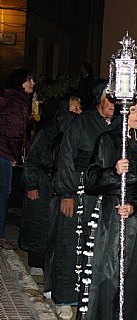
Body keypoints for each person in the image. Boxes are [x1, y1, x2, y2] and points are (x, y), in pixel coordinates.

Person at [82, 98, 137, 320]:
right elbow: (91, 180)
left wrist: (136, 206)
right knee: (108, 276)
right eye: (134, 109)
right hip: (113, 216)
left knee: (134, 278)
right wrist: (113, 172)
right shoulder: (108, 140)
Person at [52, 84, 115, 320]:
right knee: (72, 241)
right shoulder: (81, 122)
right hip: (79, 188)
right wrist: (66, 192)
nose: (113, 105)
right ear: (100, 100)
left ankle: (93, 296)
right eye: (110, 99)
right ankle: (66, 297)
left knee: (100, 245)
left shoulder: (120, 123)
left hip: (107, 189)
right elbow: (66, 155)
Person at [20, 97, 82, 276]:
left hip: (60, 185)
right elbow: (32, 159)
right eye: (74, 108)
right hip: (43, 183)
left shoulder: (76, 131)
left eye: (79, 108)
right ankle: (36, 262)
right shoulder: (48, 132)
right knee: (39, 223)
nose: (78, 112)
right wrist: (31, 184)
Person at [0, 68, 35, 250]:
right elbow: (13, 131)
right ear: (21, 83)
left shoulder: (8, 97)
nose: (33, 84)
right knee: (2, 194)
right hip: (3, 153)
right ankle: (1, 236)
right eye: (29, 80)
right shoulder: (17, 101)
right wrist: (14, 155)